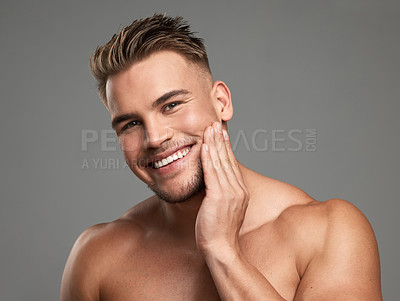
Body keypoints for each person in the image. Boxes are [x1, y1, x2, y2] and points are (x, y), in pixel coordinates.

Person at [61, 14, 382, 300]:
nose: (155, 137)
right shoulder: (96, 257)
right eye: (130, 124)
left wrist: (223, 252)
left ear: (221, 102)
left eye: (171, 105)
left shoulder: (330, 231)